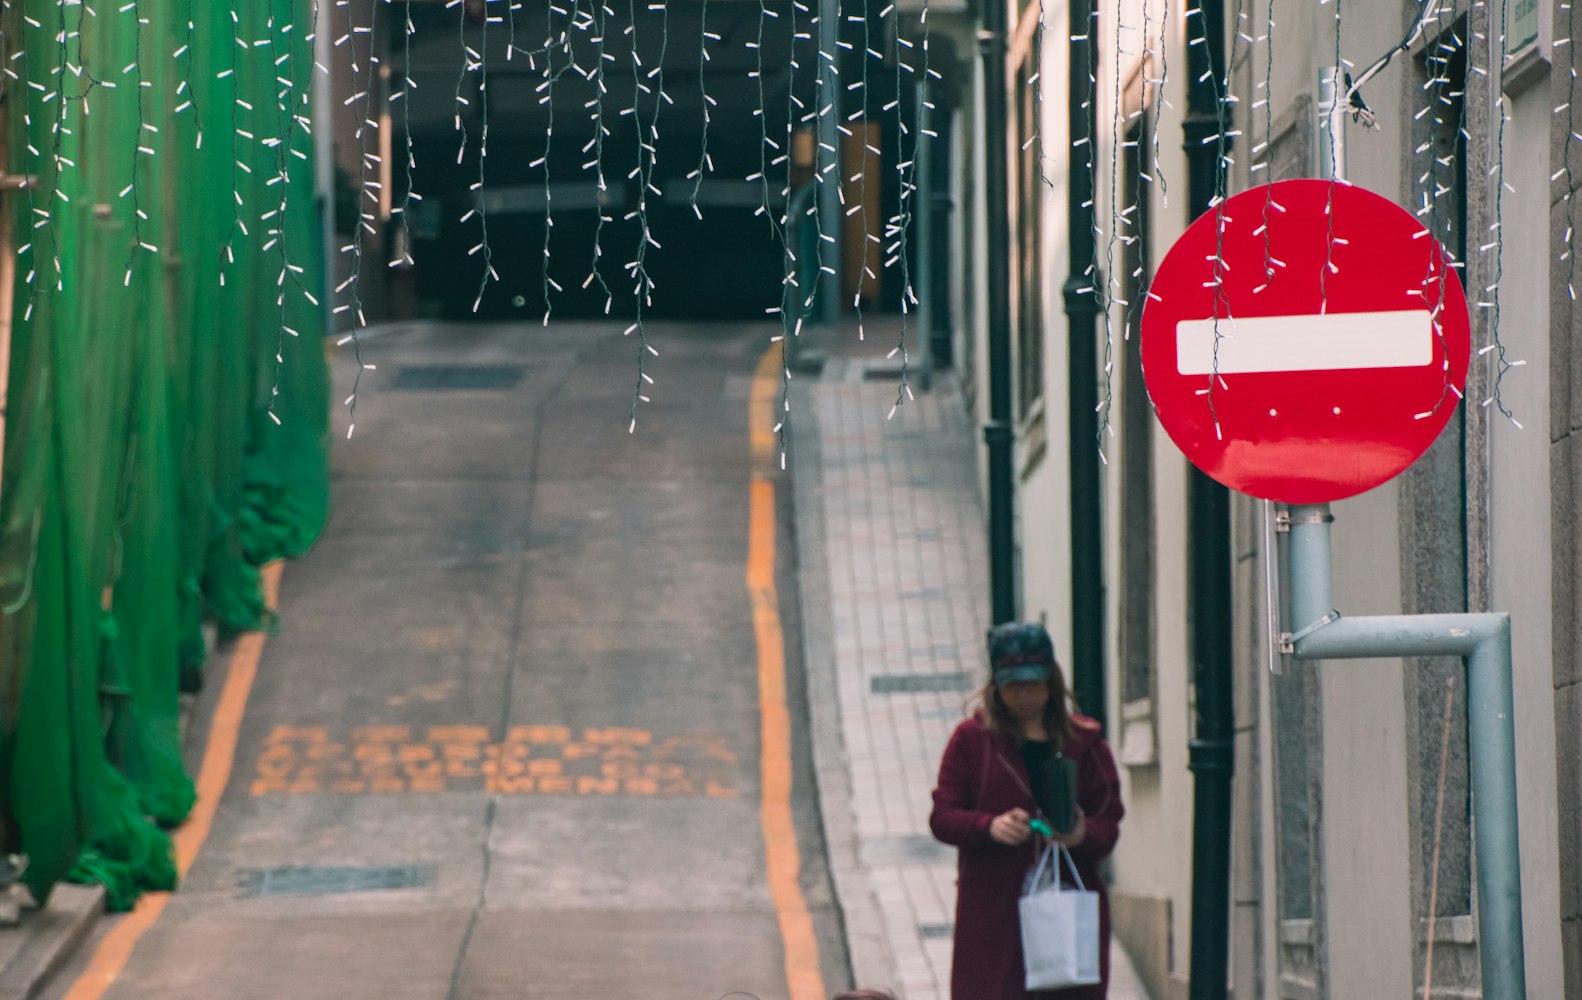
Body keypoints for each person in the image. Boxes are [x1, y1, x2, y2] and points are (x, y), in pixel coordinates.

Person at [929, 621, 1124, 1000]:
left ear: (1051, 682)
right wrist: (989, 826)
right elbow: (943, 817)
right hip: (992, 911)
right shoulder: (972, 740)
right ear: (996, 686)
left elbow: (1108, 819)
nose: (1024, 694)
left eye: (1033, 684)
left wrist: (1080, 834)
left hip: (1067, 905)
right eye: (1013, 685)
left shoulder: (1084, 742)